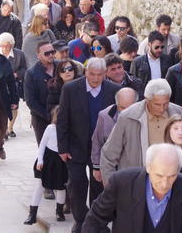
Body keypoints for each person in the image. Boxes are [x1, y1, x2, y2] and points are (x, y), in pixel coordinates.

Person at [82, 143, 182, 233]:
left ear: (178, 170)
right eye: (159, 175)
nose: (164, 183)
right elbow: (95, 218)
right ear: (148, 167)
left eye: (171, 176)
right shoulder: (122, 183)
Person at [56, 58, 121, 233]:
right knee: (77, 184)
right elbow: (62, 120)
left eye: (100, 74)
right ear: (86, 72)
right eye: (92, 74)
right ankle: (79, 219)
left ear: (105, 74)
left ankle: (95, 222)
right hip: (76, 145)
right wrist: (62, 148)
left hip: (102, 148)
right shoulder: (70, 89)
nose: (96, 78)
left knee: (98, 185)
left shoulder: (114, 90)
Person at [100, 79, 182, 184]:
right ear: (147, 100)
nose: (162, 109)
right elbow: (108, 157)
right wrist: (111, 189)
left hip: (172, 182)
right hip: (137, 183)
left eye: (166, 104)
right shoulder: (128, 117)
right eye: (157, 104)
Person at [24, 107, 68, 225]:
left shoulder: (69, 130)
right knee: (40, 186)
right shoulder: (50, 128)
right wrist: (40, 160)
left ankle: (59, 211)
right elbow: (42, 145)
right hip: (48, 159)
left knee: (61, 187)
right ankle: (32, 214)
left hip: (61, 161)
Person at [91, 88, 138, 180]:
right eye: (122, 108)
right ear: (117, 103)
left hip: (135, 166)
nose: (126, 112)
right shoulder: (104, 115)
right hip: (111, 165)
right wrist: (97, 166)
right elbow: (97, 141)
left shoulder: (143, 116)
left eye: (130, 107)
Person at [24, 42, 58, 144]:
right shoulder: (31, 74)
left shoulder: (61, 67)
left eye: (52, 52)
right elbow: (30, 101)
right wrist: (48, 115)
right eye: (47, 53)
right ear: (39, 56)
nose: (51, 55)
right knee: (45, 151)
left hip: (62, 117)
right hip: (41, 119)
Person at [0, 32, 27, 139]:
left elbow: (25, 69)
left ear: (12, 45)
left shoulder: (19, 54)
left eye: (7, 45)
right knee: (1, 107)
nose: (5, 48)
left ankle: (10, 128)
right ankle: (4, 129)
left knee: (14, 107)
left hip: (14, 85)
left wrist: (17, 74)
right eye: (3, 46)